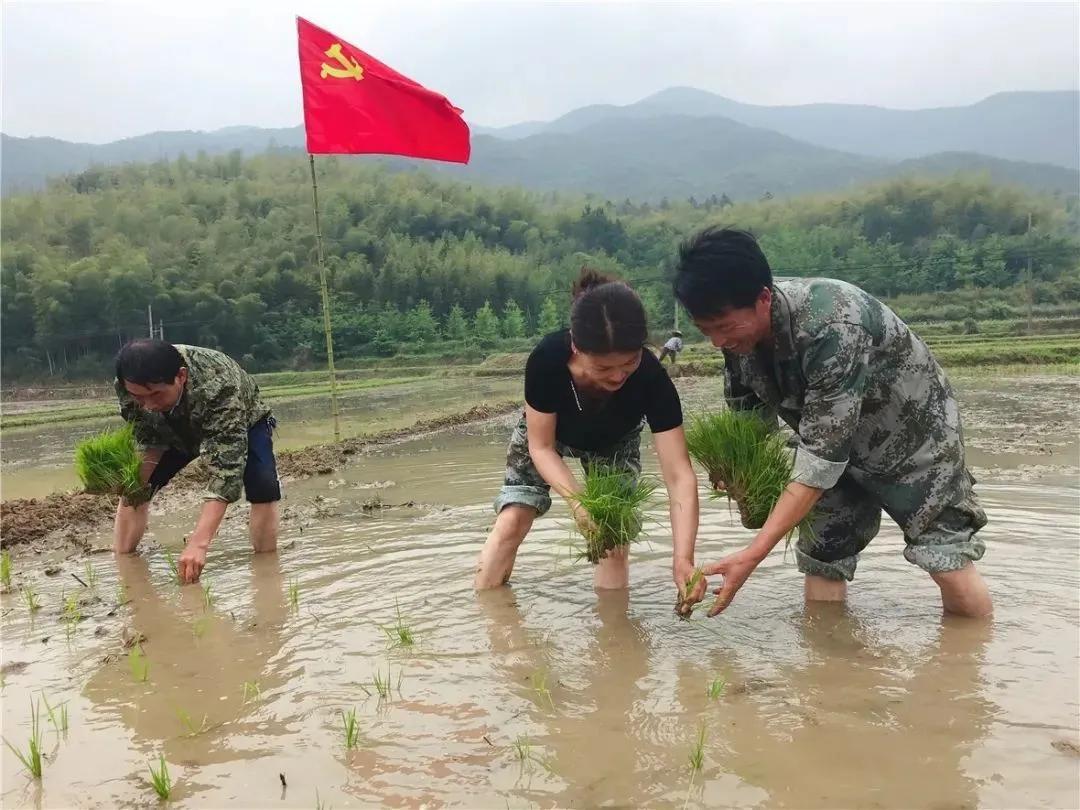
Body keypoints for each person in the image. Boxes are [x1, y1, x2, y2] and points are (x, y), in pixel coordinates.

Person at [673, 228, 992, 618]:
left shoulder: (833, 323)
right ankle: (826, 648)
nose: (717, 342)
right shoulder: (738, 342)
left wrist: (753, 555)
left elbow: (821, 462)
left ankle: (972, 651)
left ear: (763, 298)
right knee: (823, 551)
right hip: (827, 438)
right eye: (706, 331)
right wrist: (739, 474)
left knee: (943, 554)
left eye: (724, 327)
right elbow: (748, 424)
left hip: (913, 439)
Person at [474, 269, 706, 606]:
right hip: (549, 435)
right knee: (513, 518)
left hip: (615, 440)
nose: (618, 376)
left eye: (629, 362)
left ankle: (613, 628)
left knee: (613, 536)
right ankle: (488, 615)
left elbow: (679, 474)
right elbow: (541, 447)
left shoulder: (651, 379)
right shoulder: (547, 361)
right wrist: (578, 503)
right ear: (576, 347)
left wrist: (683, 557)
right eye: (603, 368)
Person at [112, 340, 281, 583]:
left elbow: (225, 471)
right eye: (139, 397)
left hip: (241, 421)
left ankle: (266, 570)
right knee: (135, 488)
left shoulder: (220, 385)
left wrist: (199, 544)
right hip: (170, 428)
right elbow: (147, 436)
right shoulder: (128, 384)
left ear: (181, 376)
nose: (148, 405)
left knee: (262, 484)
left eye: (156, 394)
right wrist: (136, 483)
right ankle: (123, 563)